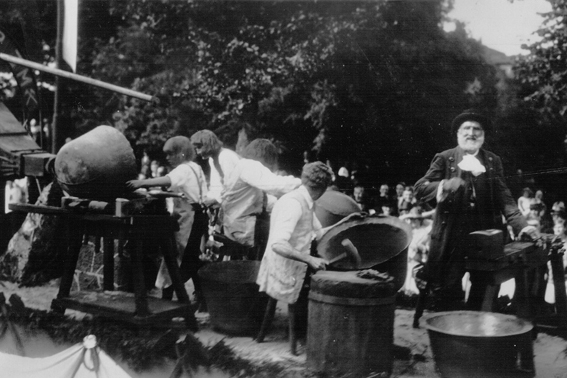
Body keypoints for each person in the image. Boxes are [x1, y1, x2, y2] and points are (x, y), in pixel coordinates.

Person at [414, 109, 538, 312]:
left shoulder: (492, 161)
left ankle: (473, 336)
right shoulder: (445, 159)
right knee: (448, 292)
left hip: (485, 238)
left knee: (482, 292)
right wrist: (443, 185)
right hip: (450, 237)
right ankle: (449, 338)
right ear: (458, 134)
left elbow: (505, 198)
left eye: (477, 129)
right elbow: (419, 188)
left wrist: (523, 226)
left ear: (483, 135)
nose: (471, 133)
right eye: (466, 128)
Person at [126, 136, 209, 308]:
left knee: (177, 258)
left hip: (190, 218)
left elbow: (167, 180)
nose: (168, 158)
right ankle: (201, 297)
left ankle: (168, 301)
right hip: (199, 216)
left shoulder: (183, 169)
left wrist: (141, 183)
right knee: (191, 257)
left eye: (171, 154)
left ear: (182, 153)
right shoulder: (196, 168)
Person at [256, 162, 333, 337]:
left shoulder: (305, 201)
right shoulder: (294, 204)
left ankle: (307, 330)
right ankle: (310, 333)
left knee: (324, 270)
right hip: (282, 270)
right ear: (322, 188)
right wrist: (310, 259)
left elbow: (320, 233)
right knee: (327, 279)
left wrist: (349, 221)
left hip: (290, 265)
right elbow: (278, 244)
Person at [221, 139, 301, 259]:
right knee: (285, 236)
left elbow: (261, 199)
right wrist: (302, 183)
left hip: (234, 222)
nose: (270, 167)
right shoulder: (251, 165)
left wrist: (279, 204)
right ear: (266, 157)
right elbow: (274, 185)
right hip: (242, 225)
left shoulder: (242, 165)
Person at [190, 129, 240, 208]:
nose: (198, 152)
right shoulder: (212, 159)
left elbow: (233, 185)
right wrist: (208, 198)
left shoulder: (225, 157)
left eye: (199, 147)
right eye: (196, 148)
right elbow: (216, 185)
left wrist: (216, 200)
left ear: (207, 145)